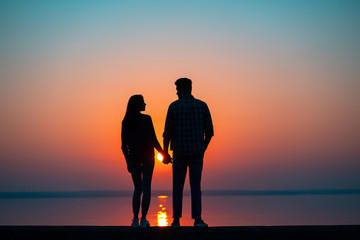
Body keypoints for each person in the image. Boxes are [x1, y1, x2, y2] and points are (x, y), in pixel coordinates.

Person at [163, 78, 214, 227]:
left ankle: (176, 220)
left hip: (179, 152)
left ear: (183, 89)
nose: (177, 92)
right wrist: (202, 148)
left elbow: (167, 133)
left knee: (177, 186)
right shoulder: (202, 105)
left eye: (178, 89)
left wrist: (165, 152)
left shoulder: (174, 106)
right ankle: (197, 219)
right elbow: (210, 132)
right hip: (197, 152)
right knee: (196, 186)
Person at [121, 94, 165, 228]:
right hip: (147, 157)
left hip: (133, 158)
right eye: (143, 102)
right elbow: (153, 139)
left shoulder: (126, 121)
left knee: (137, 188)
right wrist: (164, 155)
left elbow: (124, 146)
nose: (145, 104)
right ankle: (144, 219)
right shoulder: (146, 119)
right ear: (138, 104)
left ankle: (135, 220)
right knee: (146, 188)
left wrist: (127, 161)